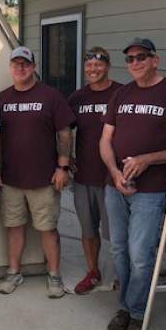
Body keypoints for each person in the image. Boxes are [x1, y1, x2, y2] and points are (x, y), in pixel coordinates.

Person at [100, 38, 166, 330]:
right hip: (116, 185)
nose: (135, 63)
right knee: (118, 249)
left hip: (150, 189)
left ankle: (138, 312)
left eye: (141, 57)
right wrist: (114, 172)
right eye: (129, 59)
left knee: (140, 254)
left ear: (155, 60)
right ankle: (125, 307)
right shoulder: (121, 94)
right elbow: (105, 140)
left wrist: (146, 160)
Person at [0, 47, 75, 298]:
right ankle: (14, 273)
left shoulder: (51, 96)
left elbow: (65, 132)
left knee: (48, 229)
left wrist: (63, 167)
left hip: (44, 179)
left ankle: (54, 275)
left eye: (25, 64)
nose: (21, 68)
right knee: (14, 227)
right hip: (10, 179)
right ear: (10, 67)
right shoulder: (1, 99)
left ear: (34, 66)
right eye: (16, 64)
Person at [68, 46, 121, 294]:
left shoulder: (121, 93)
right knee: (88, 230)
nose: (93, 69)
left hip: (113, 176)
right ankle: (93, 272)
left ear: (107, 66)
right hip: (84, 175)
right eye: (89, 65)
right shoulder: (77, 98)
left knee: (117, 232)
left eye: (98, 65)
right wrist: (66, 157)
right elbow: (63, 129)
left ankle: (123, 274)